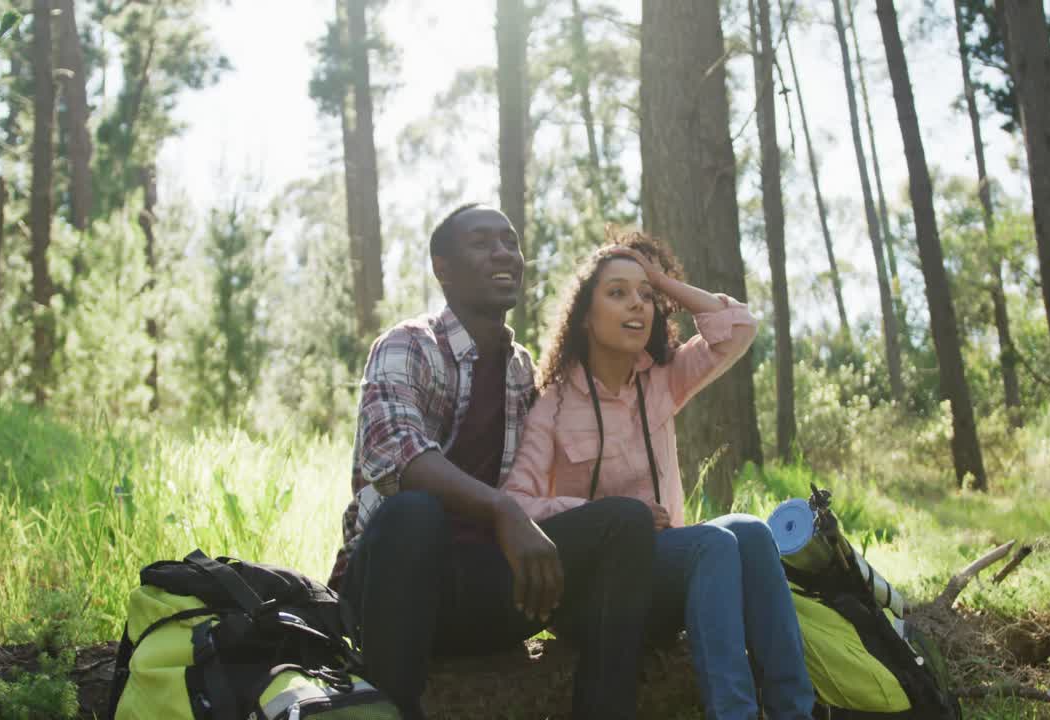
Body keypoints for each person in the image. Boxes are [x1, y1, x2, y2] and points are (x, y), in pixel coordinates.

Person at [331, 204, 657, 720]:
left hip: (485, 588)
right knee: (415, 512)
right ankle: (392, 709)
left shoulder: (522, 370)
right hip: (390, 591)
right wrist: (505, 512)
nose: (504, 252)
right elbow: (400, 455)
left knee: (625, 520)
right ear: (443, 268)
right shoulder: (408, 344)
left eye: (510, 242)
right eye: (482, 243)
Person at [502, 230, 816, 720]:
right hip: (595, 596)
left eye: (645, 296)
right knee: (712, 543)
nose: (638, 305)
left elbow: (739, 327)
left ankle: (794, 711)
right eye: (617, 293)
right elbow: (516, 502)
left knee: (752, 532)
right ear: (585, 315)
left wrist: (657, 278)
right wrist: (607, 516)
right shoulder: (554, 405)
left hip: (670, 577)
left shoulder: (662, 380)